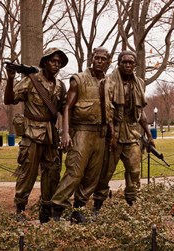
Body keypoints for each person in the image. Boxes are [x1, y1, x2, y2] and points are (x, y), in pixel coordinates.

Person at [4, 48, 68, 223]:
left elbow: (65, 110)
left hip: (51, 136)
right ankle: (20, 211)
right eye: (53, 61)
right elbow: (9, 100)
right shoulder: (31, 81)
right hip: (32, 134)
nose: (56, 64)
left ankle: (46, 211)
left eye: (59, 62)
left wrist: (66, 133)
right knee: (27, 173)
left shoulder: (61, 86)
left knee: (52, 173)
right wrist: (10, 79)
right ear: (45, 62)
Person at [51, 47, 114, 223]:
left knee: (92, 176)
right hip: (81, 131)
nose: (99, 61)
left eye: (103, 59)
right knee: (75, 172)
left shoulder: (109, 83)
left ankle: (78, 209)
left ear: (108, 62)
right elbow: (67, 108)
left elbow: (111, 112)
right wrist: (65, 134)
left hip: (100, 135)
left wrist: (112, 135)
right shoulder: (78, 80)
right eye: (97, 58)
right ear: (91, 59)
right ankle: (56, 208)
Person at [92, 50, 155, 213]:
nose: (127, 65)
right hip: (113, 133)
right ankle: (97, 206)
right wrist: (112, 134)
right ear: (118, 64)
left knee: (134, 171)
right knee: (106, 172)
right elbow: (106, 111)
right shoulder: (108, 82)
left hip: (132, 133)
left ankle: (133, 204)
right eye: (124, 62)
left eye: (130, 62)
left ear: (135, 65)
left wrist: (149, 134)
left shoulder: (139, 83)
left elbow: (140, 113)